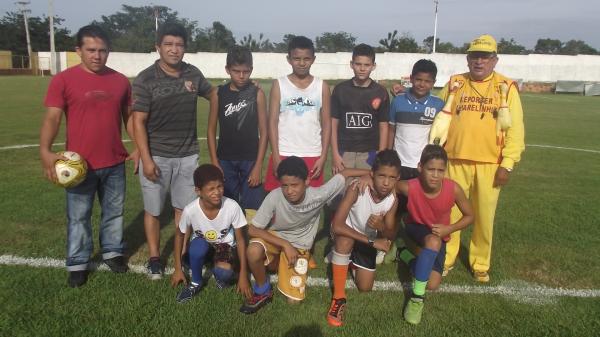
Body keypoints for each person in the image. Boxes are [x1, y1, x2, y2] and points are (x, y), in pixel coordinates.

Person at [40, 25, 136, 287]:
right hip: (78, 165)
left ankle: (113, 252)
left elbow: (129, 119)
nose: (97, 55)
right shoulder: (63, 80)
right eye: (91, 50)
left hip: (115, 161)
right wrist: (45, 150)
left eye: (103, 50)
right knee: (79, 216)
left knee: (114, 212)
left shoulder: (120, 81)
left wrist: (138, 146)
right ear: (78, 51)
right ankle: (78, 262)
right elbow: (52, 117)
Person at [436, 34, 525, 282]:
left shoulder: (506, 87)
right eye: (475, 56)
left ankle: (480, 263)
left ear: (495, 60)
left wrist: (507, 164)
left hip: (490, 163)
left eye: (485, 57)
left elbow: (515, 130)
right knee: (450, 214)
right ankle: (446, 258)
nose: (479, 61)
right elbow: (436, 114)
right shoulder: (455, 82)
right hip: (454, 161)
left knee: (484, 217)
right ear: (467, 59)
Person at [132, 23, 217, 279]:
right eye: (168, 44)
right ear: (158, 47)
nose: (174, 49)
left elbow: (214, 94)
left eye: (179, 45)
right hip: (156, 156)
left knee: (183, 210)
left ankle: (182, 256)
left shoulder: (193, 74)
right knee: (154, 210)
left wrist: (212, 124)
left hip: (188, 155)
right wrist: (146, 158)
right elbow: (138, 121)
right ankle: (155, 258)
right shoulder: (145, 79)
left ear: (185, 48)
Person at [239, 156, 371, 314]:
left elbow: (345, 172)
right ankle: (263, 289)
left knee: (294, 301)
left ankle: (276, 263)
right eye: (285, 185)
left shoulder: (319, 194)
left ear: (307, 181)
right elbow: (253, 230)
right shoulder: (274, 196)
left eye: (294, 185)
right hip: (278, 238)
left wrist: (370, 173)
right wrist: (285, 244)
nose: (289, 191)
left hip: (300, 245)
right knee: (253, 251)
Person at [394, 144, 473, 324]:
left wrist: (450, 229)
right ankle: (416, 301)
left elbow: (470, 216)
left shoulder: (453, 189)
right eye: (431, 169)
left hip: (440, 234)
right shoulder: (409, 187)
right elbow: (391, 185)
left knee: (432, 284)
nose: (435, 175)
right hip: (415, 229)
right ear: (420, 168)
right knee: (433, 242)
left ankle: (403, 253)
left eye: (440, 170)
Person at [326, 150, 400, 327]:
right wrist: (373, 242)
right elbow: (337, 225)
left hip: (366, 240)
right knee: (344, 241)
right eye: (381, 176)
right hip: (348, 233)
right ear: (372, 174)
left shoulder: (392, 199)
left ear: (397, 178)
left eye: (391, 177)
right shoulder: (357, 188)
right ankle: (338, 299)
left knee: (365, 287)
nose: (386, 182)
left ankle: (347, 261)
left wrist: (381, 227)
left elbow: (390, 234)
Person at [170, 164, 251, 303]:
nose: (217, 192)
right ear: (198, 191)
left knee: (224, 273)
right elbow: (179, 235)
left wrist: (243, 274)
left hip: (224, 246)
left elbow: (241, 240)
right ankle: (196, 282)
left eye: (220, 186)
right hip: (203, 244)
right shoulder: (190, 210)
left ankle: (219, 272)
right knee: (197, 247)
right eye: (211, 189)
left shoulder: (232, 206)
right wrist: (178, 268)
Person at [207, 46, 267, 224]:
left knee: (252, 208)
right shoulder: (218, 93)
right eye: (236, 71)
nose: (241, 76)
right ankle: (229, 243)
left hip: (250, 160)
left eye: (246, 71)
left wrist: (258, 165)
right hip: (225, 159)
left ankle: (252, 243)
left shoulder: (257, 93)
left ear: (251, 70)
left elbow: (264, 132)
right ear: (227, 70)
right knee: (227, 204)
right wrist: (215, 161)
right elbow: (210, 130)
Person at [265, 36, 331, 192]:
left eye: (306, 59)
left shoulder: (322, 86)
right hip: (284, 152)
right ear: (289, 59)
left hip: (312, 153)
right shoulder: (279, 84)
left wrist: (323, 157)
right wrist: (275, 156)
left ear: (313, 59)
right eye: (297, 59)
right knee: (279, 204)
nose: (302, 63)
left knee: (310, 204)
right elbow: (272, 122)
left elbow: (327, 124)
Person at [331, 43, 389, 173]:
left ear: (373, 66)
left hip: (370, 153)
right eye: (358, 64)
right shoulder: (340, 90)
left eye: (367, 65)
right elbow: (333, 123)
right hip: (344, 151)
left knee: (366, 191)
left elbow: (384, 126)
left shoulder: (380, 92)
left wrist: (381, 153)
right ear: (351, 64)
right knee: (342, 191)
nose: (362, 68)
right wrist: (335, 153)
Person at [388, 59, 444, 182]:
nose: (422, 84)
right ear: (411, 78)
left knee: (419, 199)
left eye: (427, 81)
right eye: (418, 79)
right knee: (397, 199)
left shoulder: (438, 104)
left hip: (423, 164)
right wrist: (389, 156)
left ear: (433, 82)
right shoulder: (398, 101)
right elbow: (391, 130)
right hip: (399, 163)